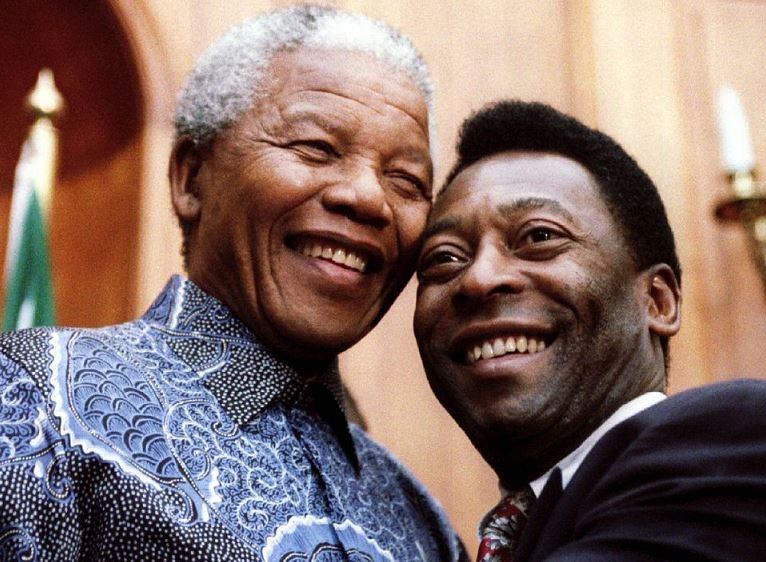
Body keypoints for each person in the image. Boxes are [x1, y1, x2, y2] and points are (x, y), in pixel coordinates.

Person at [0, 6, 468, 561]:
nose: (369, 199)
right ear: (191, 178)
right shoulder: (37, 398)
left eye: (407, 180)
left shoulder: (419, 517)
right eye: (315, 148)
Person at [414, 100, 766, 561]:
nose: (478, 278)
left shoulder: (727, 438)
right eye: (444, 258)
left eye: (539, 237)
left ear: (657, 301)